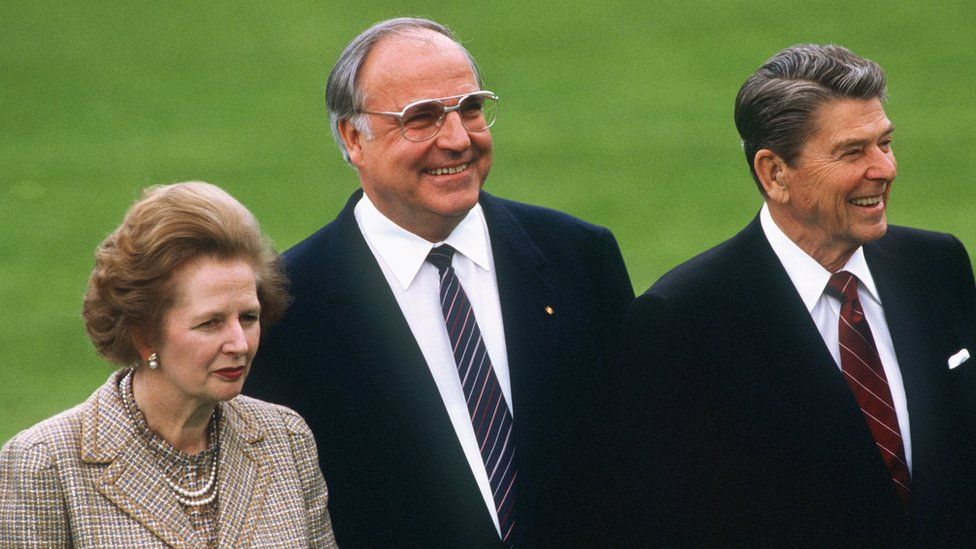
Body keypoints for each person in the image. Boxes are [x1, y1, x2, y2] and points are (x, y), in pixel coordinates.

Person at [245, 17, 634, 547]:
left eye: (470, 108)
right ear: (352, 137)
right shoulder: (285, 306)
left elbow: (637, 462)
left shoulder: (579, 258)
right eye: (421, 119)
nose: (457, 140)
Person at [617, 44, 976, 546]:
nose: (885, 168)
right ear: (774, 173)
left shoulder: (936, 266)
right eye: (854, 152)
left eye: (885, 143)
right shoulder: (683, 319)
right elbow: (671, 520)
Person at [0, 182, 337, 548]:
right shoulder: (44, 464)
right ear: (145, 334)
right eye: (210, 323)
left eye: (249, 318)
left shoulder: (285, 438)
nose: (239, 344)